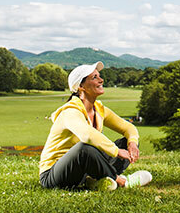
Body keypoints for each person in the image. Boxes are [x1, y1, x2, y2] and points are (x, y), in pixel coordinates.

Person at [38, 61, 152, 191]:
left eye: (99, 76)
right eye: (94, 77)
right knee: (84, 149)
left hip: (81, 172)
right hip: (53, 175)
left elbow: (128, 128)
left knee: (126, 141)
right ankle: (122, 182)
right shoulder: (70, 112)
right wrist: (116, 151)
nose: (101, 80)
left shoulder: (99, 109)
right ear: (81, 86)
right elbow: (87, 135)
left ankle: (96, 180)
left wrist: (132, 143)